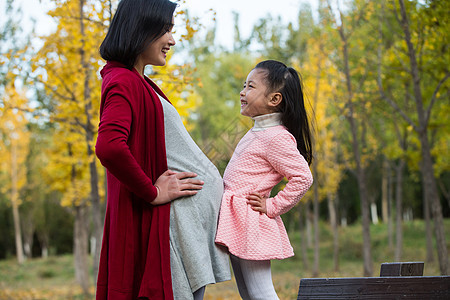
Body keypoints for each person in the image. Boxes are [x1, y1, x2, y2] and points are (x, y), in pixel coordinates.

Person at [95, 0, 230, 299]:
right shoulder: (123, 82)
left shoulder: (140, 82)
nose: (172, 39)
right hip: (168, 224)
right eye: (165, 30)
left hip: (184, 226)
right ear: (140, 29)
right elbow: (109, 147)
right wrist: (153, 192)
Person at [215, 60, 314, 300]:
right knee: (248, 292)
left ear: (274, 99)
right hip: (238, 219)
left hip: (251, 221)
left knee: (260, 291)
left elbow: (303, 177)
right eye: (244, 85)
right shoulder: (259, 130)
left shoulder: (276, 137)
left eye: (250, 86)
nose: (242, 91)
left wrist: (272, 206)